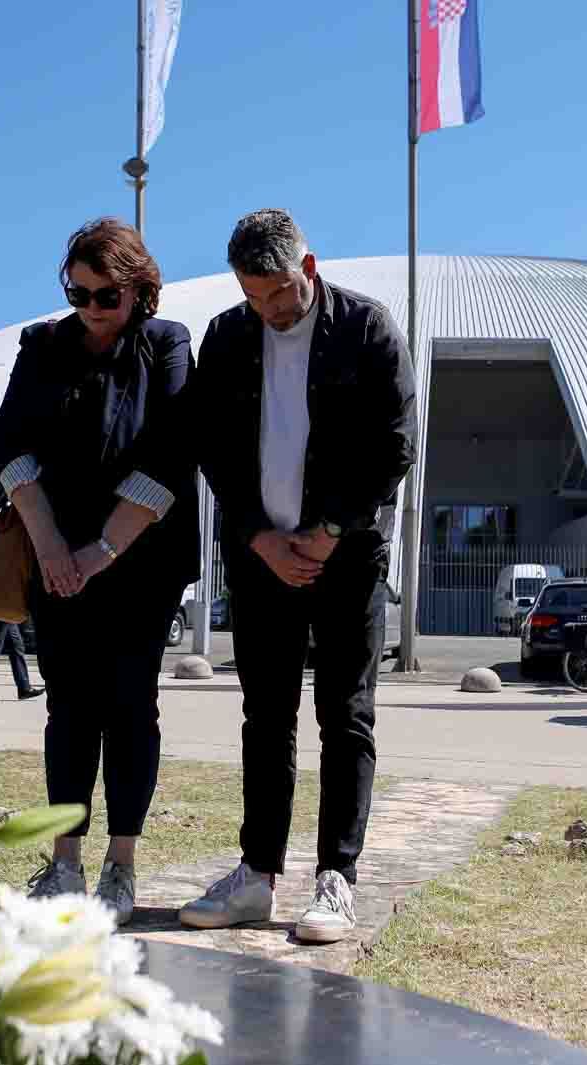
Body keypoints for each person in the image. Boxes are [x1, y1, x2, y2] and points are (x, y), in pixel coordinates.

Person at [180, 209, 417, 945]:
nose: (269, 309)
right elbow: (211, 445)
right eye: (253, 296)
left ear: (307, 268)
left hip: (346, 557)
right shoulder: (228, 336)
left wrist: (328, 531)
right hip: (260, 560)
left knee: (344, 715)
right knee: (266, 715)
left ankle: (336, 879)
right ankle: (256, 875)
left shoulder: (367, 328)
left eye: (279, 292)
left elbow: (395, 444)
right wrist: (260, 536)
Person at [0, 218, 198, 923]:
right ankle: (64, 864)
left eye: (105, 295)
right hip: (57, 560)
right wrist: (52, 545)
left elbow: (171, 454)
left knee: (130, 706)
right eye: (77, 294)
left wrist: (101, 550)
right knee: (69, 709)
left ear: (139, 290)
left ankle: (121, 865)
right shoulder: (43, 346)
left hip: (140, 560)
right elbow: (11, 446)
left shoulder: (166, 344)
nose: (90, 309)